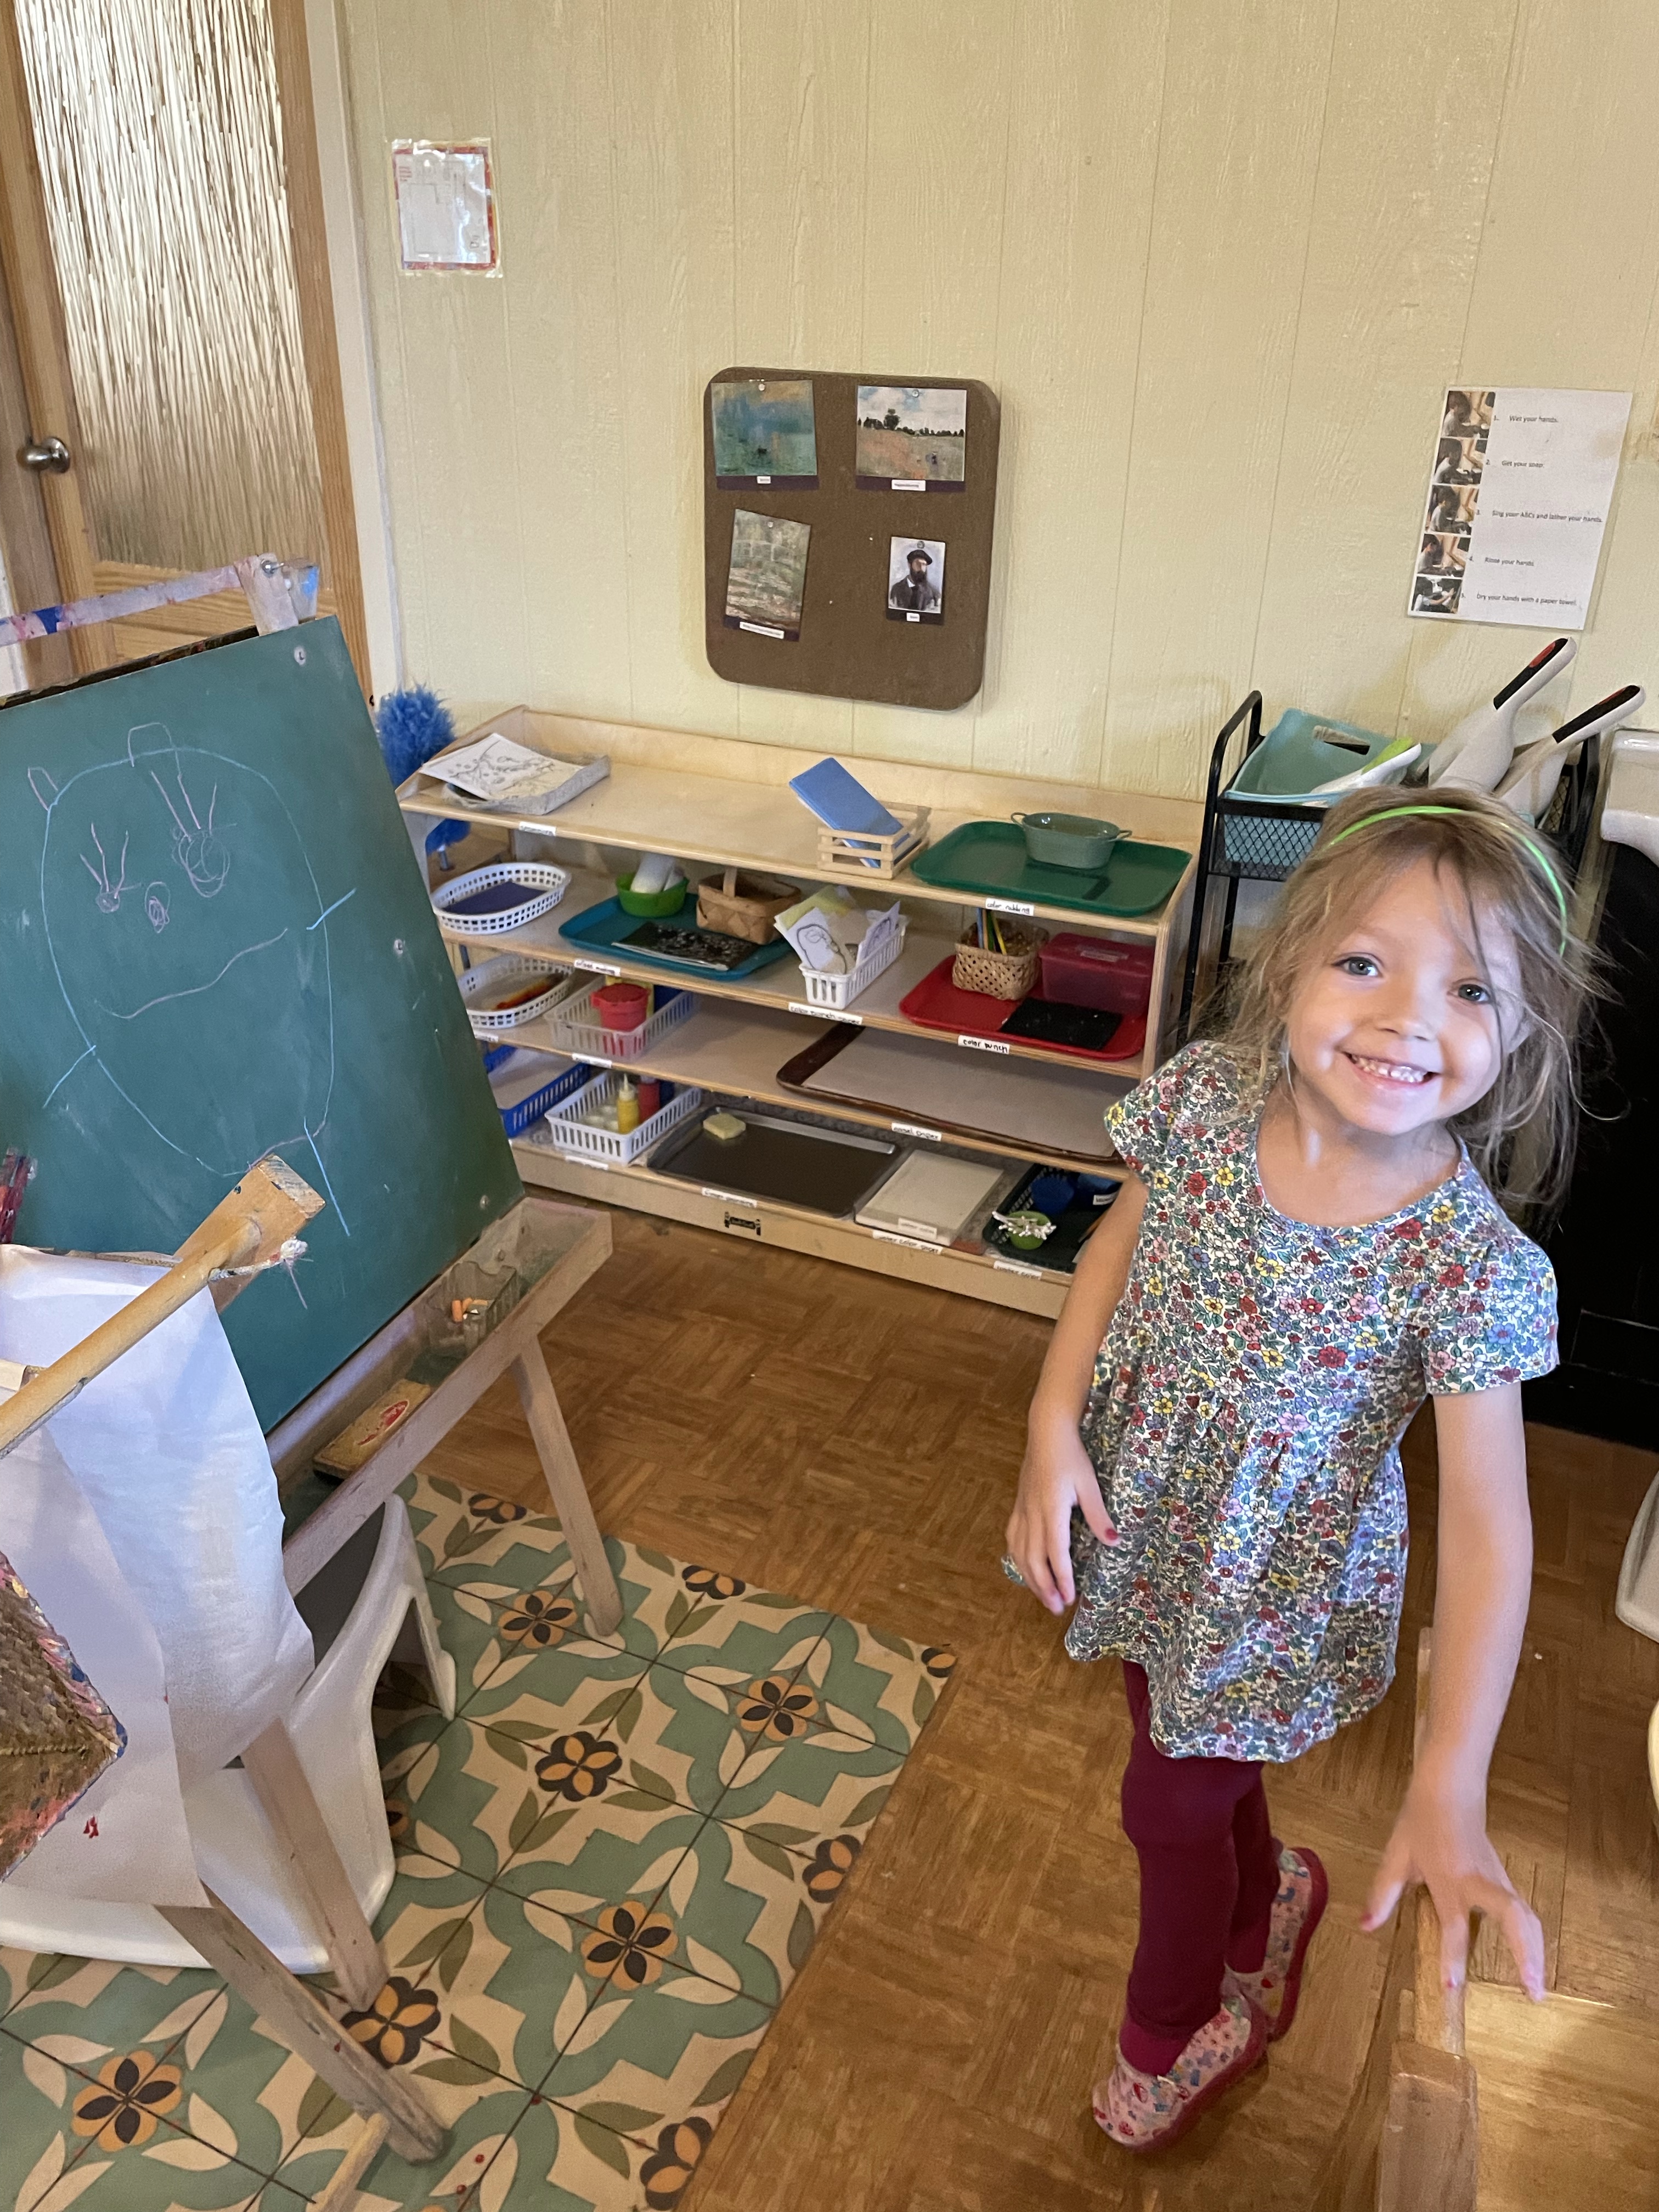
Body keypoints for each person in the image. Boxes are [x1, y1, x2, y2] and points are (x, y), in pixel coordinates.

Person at [1005, 788, 1591, 2154]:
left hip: (1270, 1586)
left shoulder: (1469, 1267)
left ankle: (1173, 2030)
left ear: (1522, 1033)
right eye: (1364, 962)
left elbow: (1492, 1533)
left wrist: (1452, 1781)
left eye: (1469, 989)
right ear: (1289, 964)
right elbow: (1115, 1249)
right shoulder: (1208, 1099)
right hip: (1143, 1514)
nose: (1405, 1020)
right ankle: (1268, 1889)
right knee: (1180, 1736)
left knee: (1167, 1796)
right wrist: (1051, 1421)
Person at [890, 545, 940, 613]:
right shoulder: (896, 589)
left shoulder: (934, 593)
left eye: (924, 565)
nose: (921, 568)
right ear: (910, 565)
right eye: (918, 564)